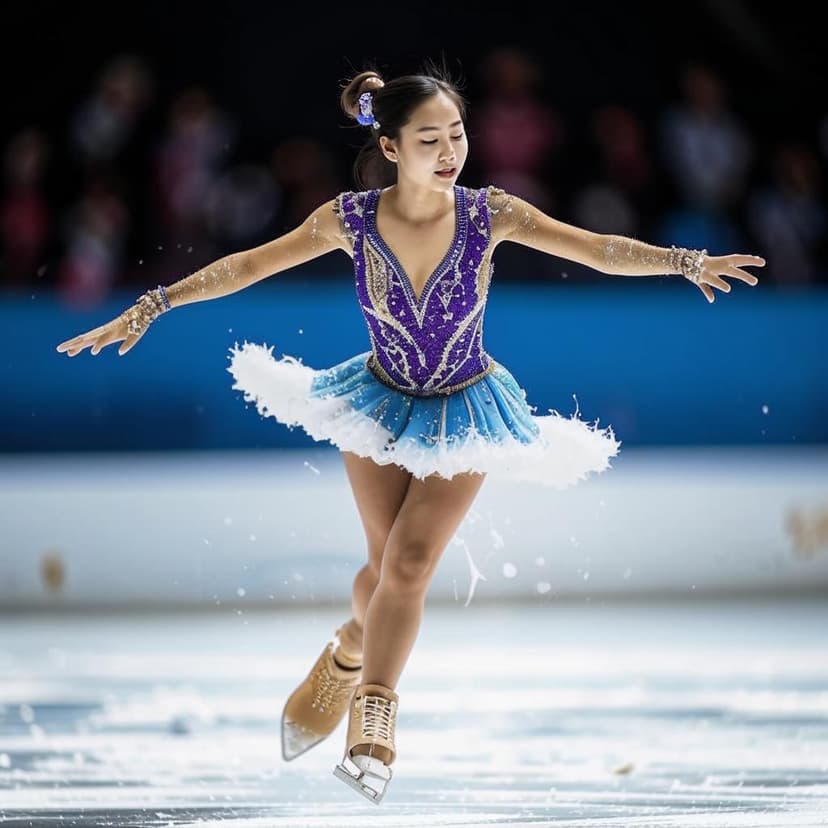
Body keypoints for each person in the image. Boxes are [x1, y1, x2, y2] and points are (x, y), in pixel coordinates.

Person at [55, 64, 765, 805]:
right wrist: (153, 304)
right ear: (391, 147)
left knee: (412, 562)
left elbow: (595, 248)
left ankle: (374, 719)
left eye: (457, 133)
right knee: (382, 569)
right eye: (429, 138)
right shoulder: (349, 219)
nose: (449, 150)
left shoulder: (493, 214)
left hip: (466, 408)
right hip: (378, 405)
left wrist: (683, 262)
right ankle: (347, 651)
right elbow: (248, 265)